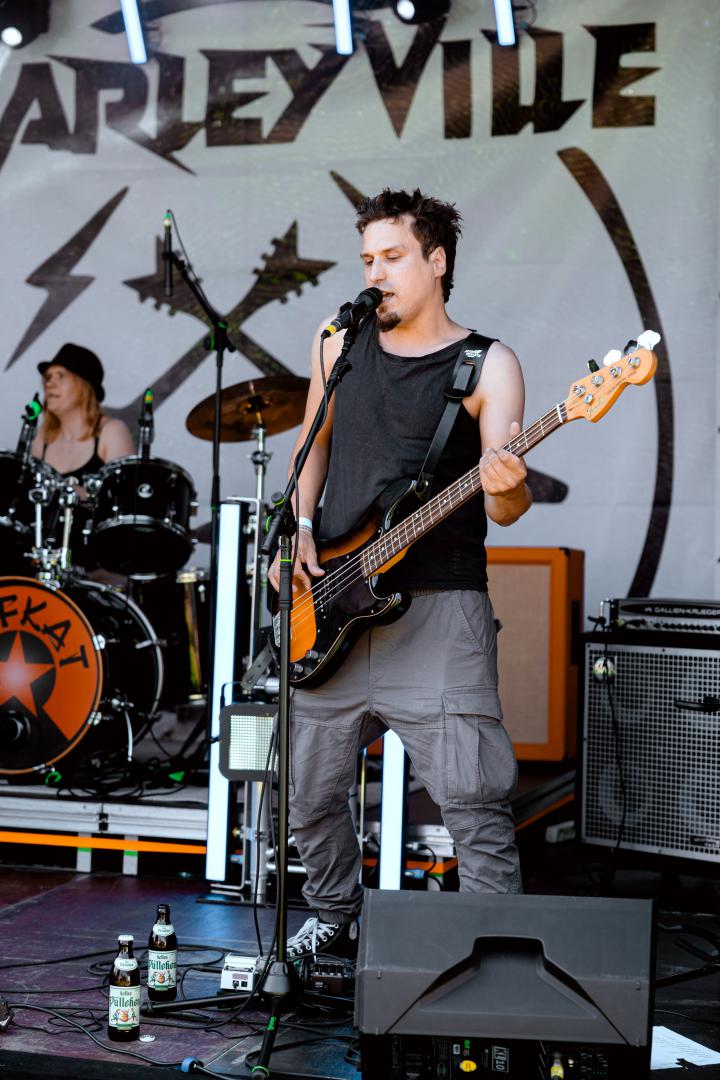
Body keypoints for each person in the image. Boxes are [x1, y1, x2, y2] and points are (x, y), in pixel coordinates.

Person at [268, 188, 532, 961]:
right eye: (367, 260)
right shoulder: (336, 343)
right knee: (307, 791)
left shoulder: (489, 364)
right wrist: (301, 530)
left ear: (436, 260)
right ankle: (333, 917)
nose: (375, 273)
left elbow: (506, 508)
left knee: (473, 798)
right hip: (334, 599)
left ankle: (498, 949)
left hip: (441, 608)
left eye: (392, 257)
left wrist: (508, 484)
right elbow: (312, 444)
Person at [31, 343, 134, 563]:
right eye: (48, 377)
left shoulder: (111, 431)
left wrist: (80, 493)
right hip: (46, 558)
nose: (49, 383)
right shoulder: (43, 437)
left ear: (83, 384)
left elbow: (124, 504)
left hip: (95, 561)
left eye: (60, 376)